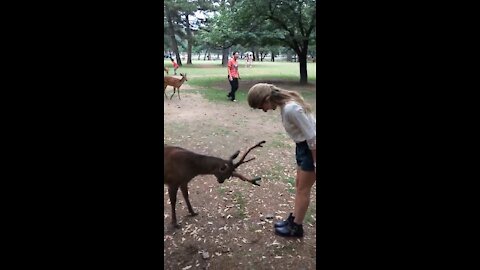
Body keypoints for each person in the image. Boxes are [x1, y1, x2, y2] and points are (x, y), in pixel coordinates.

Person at [247, 83, 316, 237]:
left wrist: (315, 161)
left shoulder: (291, 108)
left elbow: (313, 137)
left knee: (303, 190)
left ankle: (296, 227)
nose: (264, 110)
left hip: (311, 149)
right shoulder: (285, 105)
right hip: (302, 147)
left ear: (267, 99)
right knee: (299, 186)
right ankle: (294, 219)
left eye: (261, 106)